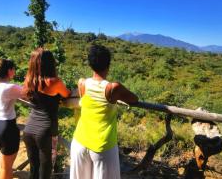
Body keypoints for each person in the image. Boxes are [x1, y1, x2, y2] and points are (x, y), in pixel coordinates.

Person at [70, 45, 138, 179]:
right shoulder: (113, 88)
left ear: (90, 64)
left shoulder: (82, 83)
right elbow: (134, 99)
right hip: (103, 145)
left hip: (80, 141)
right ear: (108, 65)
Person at [23, 48, 70, 179]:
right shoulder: (54, 82)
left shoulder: (29, 80)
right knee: (46, 170)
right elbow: (67, 94)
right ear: (50, 63)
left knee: (34, 170)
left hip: (29, 129)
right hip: (45, 131)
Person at [0, 59, 23, 179]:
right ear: (9, 71)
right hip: (6, 127)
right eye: (13, 69)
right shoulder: (9, 87)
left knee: (4, 164)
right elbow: (29, 93)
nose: (15, 71)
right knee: (7, 168)